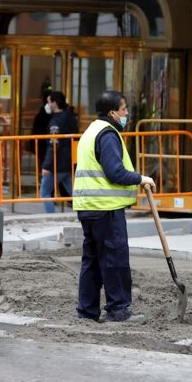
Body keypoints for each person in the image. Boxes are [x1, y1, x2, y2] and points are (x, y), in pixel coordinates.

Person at [73, 90, 155, 323]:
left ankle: (86, 312)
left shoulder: (92, 130)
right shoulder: (108, 134)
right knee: (114, 259)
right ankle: (119, 310)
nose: (127, 113)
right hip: (105, 208)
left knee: (92, 261)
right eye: (123, 109)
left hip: (88, 207)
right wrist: (141, 179)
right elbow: (114, 171)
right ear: (112, 112)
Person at [39, 91, 78, 213]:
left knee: (44, 192)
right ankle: (87, 212)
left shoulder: (55, 122)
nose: (47, 105)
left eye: (49, 102)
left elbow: (53, 145)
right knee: (73, 192)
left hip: (57, 164)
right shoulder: (70, 116)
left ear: (54, 104)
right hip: (68, 161)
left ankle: (51, 217)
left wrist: (46, 166)